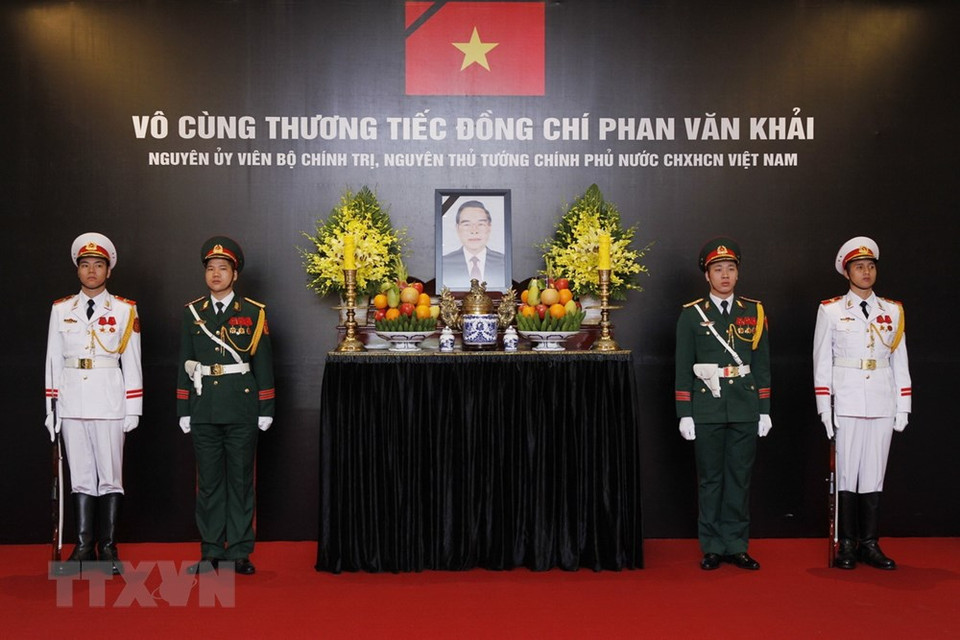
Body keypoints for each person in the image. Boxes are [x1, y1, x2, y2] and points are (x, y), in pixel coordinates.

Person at [45, 232, 142, 575]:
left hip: (109, 401)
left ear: (108, 271)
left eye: (98, 265)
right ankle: (84, 546)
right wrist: (51, 407)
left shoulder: (124, 309)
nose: (91, 271)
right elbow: (53, 360)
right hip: (72, 401)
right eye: (85, 265)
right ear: (77, 270)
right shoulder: (61, 309)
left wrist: (133, 407)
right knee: (81, 478)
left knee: (111, 477)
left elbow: (131, 361)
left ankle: (109, 547)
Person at [177, 236, 275, 575]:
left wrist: (266, 408)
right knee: (208, 483)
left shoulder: (252, 311)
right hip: (204, 408)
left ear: (235, 274)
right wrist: (183, 409)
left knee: (240, 481)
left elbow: (262, 363)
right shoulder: (193, 312)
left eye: (223, 268)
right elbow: (184, 363)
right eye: (210, 268)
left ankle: (240, 552)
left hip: (241, 407)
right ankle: (210, 550)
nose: (216, 274)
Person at [813, 236, 911, 570]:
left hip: (882, 400)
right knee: (846, 475)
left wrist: (904, 405)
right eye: (859, 267)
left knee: (873, 475)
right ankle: (847, 544)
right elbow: (822, 362)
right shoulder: (831, 310)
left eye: (870, 266)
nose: (866, 272)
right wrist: (824, 408)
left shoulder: (893, 311)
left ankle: (870, 543)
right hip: (848, 399)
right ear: (847, 272)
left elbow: (900, 360)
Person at [674, 237, 772, 571]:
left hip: (745, 406)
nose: (725, 275)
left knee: (739, 477)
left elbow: (761, 365)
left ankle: (736, 544)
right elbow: (682, 367)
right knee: (711, 479)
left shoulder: (754, 312)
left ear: (738, 273)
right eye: (718, 269)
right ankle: (712, 545)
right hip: (708, 407)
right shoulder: (691, 316)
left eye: (731, 268)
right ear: (707, 276)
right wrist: (684, 413)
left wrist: (765, 409)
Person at [441, 200, 506, 288]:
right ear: (457, 228)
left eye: (481, 224)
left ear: (489, 227)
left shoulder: (503, 262)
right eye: (467, 224)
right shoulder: (444, 264)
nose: (474, 230)